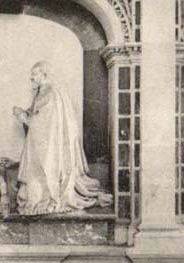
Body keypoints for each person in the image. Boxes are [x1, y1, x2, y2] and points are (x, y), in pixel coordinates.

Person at [13, 61, 112, 214]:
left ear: (44, 74)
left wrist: (23, 117)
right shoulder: (42, 92)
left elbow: (44, 124)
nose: (31, 78)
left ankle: (50, 200)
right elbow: (37, 115)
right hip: (38, 145)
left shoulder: (52, 93)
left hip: (48, 147)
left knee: (44, 178)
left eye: (34, 74)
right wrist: (25, 113)